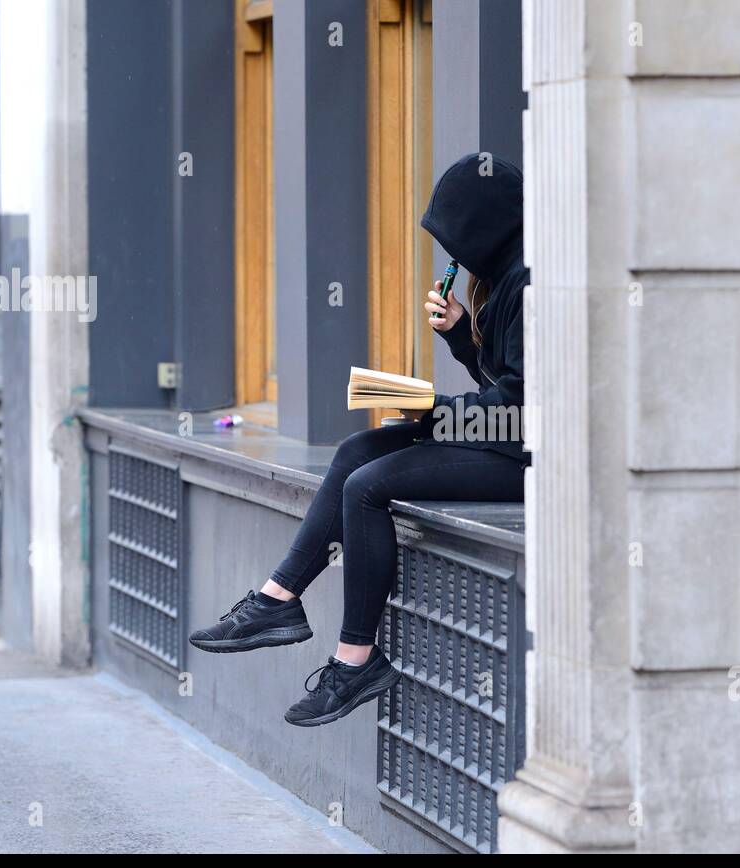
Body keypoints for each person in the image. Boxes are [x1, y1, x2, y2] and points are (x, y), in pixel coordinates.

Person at [188, 154, 529, 727]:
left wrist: (433, 410)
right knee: (354, 453)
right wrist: (458, 336)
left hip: (526, 456)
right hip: (497, 436)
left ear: (484, 225)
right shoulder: (498, 277)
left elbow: (519, 410)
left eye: (456, 237)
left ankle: (356, 660)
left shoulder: (527, 281)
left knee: (370, 486)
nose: (451, 255)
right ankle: (277, 600)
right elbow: (497, 382)